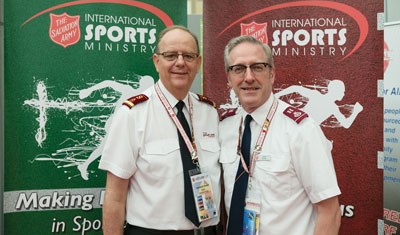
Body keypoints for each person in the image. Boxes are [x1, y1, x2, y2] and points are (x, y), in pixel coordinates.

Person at [99, 25, 221, 235]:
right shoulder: (133, 114)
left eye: (188, 56)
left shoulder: (210, 112)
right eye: (171, 55)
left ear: (198, 63)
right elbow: (115, 197)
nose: (180, 63)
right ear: (157, 61)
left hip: (206, 230)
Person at [219, 35, 341, 235]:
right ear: (229, 78)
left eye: (257, 67)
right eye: (239, 69)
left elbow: (329, 211)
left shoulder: (301, 130)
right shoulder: (224, 126)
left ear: (272, 74)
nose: (248, 77)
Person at [275, 80, 363, 128]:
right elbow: (346, 124)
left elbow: (295, 88)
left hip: (302, 128)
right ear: (336, 91)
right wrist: (356, 112)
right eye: (342, 91)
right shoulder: (330, 105)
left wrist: (277, 95)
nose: (343, 94)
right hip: (297, 125)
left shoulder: (332, 106)